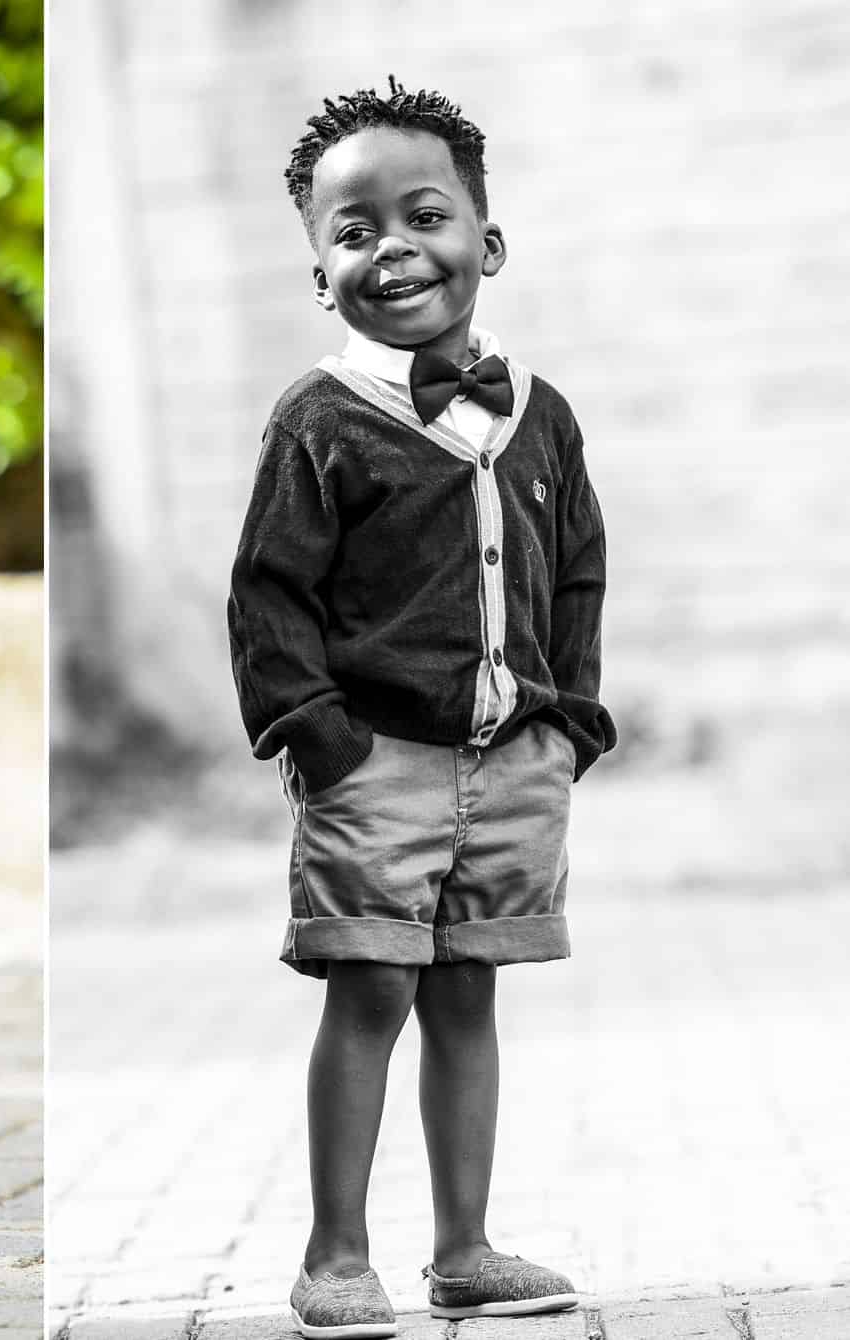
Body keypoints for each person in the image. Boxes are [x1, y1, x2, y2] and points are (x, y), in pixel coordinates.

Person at [227, 77, 615, 1336]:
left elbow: (582, 567)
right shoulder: (320, 420)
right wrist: (319, 740)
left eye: (424, 216)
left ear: (485, 243)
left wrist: (571, 718)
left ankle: (466, 1245)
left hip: (514, 759)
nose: (392, 248)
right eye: (353, 233)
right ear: (320, 272)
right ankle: (335, 1255)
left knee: (468, 994)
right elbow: (270, 594)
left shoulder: (539, 414)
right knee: (370, 993)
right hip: (375, 762)